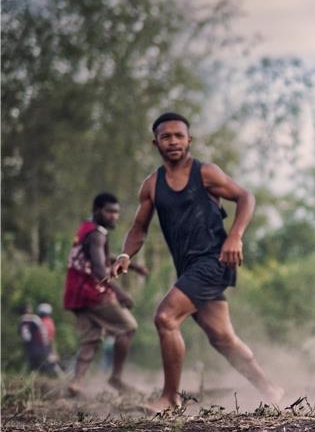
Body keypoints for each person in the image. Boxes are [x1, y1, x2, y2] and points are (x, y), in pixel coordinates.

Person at [106, 112, 283, 412]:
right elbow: (138, 228)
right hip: (189, 268)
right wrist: (125, 255)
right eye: (166, 136)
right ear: (156, 143)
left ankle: (170, 398)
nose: (173, 141)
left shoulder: (206, 173)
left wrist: (235, 236)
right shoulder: (151, 185)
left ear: (189, 140)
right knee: (223, 338)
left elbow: (246, 197)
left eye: (178, 135)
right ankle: (270, 389)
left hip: (214, 260)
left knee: (165, 318)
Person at [62, 193, 148, 396]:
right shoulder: (98, 234)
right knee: (128, 327)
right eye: (109, 211)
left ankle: (76, 383)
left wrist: (133, 265)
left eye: (116, 212)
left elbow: (97, 257)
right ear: (97, 210)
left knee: (91, 338)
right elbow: (100, 269)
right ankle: (116, 378)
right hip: (92, 293)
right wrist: (120, 293)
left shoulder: (87, 229)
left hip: (75, 294)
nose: (114, 216)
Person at [18, 304, 63, 376]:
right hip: (42, 344)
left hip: (29, 346)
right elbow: (46, 334)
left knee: (35, 364)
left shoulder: (22, 321)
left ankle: (41, 376)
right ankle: (57, 375)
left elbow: (22, 335)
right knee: (48, 361)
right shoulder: (38, 320)